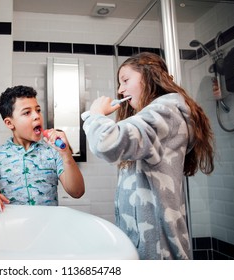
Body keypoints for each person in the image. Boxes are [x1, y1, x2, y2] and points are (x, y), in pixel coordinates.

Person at [82, 52, 214, 260]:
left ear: (150, 75)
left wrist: (96, 114)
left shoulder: (165, 111)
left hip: (157, 244)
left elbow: (106, 142)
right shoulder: (159, 115)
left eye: (125, 80)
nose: (120, 89)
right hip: (151, 239)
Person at [0, 85, 85, 214]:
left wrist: (66, 154)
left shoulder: (52, 151)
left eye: (38, 110)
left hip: (48, 226)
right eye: (27, 112)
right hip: (12, 227)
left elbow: (77, 192)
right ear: (9, 123)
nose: (37, 116)